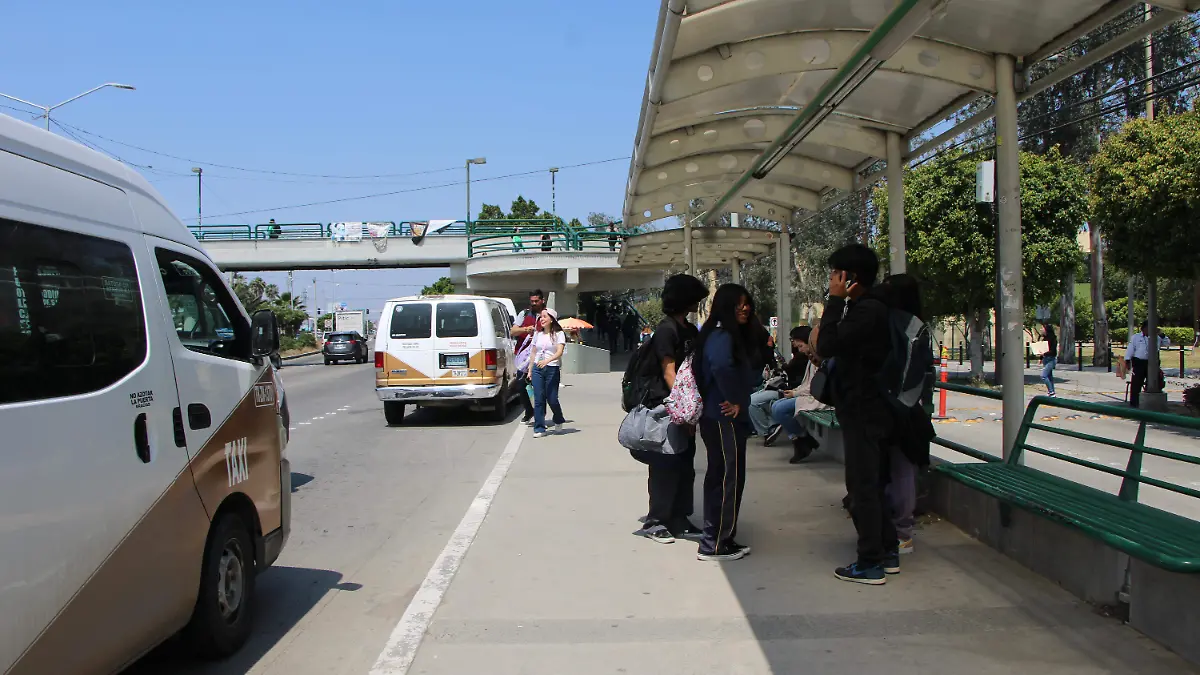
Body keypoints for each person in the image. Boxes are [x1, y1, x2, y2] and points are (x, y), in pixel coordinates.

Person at [816, 243, 897, 585]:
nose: (831, 280)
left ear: (849, 277)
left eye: (836, 274)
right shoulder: (868, 308)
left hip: (864, 410)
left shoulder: (867, 311)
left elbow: (826, 344)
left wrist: (834, 301)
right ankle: (886, 550)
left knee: (862, 485)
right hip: (868, 407)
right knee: (871, 484)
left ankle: (870, 562)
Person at [633, 274, 710, 544]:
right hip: (665, 407)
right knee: (665, 464)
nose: (699, 301)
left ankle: (679, 517)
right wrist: (685, 408)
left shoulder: (688, 329)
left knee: (684, 463)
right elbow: (669, 371)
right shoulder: (667, 330)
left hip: (682, 406)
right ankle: (656, 521)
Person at [694, 284, 759, 561]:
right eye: (739, 304)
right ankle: (716, 543)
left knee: (720, 475)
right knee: (727, 477)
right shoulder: (722, 335)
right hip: (724, 417)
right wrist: (735, 399)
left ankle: (717, 535)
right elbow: (721, 366)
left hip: (716, 416)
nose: (745, 308)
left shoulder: (718, 332)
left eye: (747, 303)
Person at [875, 273, 931, 557]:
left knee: (896, 470)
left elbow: (909, 372)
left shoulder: (904, 325)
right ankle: (900, 530)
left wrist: (894, 404)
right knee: (900, 470)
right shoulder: (916, 325)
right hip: (903, 407)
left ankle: (901, 532)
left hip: (896, 409)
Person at [767, 325, 825, 463]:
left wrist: (795, 393)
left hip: (818, 398)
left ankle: (802, 439)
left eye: (800, 346)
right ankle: (801, 439)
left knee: (779, 409)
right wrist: (795, 392)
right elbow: (808, 384)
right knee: (776, 406)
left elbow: (813, 386)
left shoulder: (816, 359)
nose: (799, 350)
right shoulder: (810, 358)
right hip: (809, 394)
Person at [528, 308, 567, 438]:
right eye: (541, 317)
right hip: (537, 369)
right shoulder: (538, 334)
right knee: (539, 399)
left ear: (552, 319)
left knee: (552, 399)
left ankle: (558, 419)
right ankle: (539, 428)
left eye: (545, 316)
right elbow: (533, 353)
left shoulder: (559, 334)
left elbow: (559, 352)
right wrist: (530, 370)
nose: (542, 319)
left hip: (551, 368)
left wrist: (547, 361)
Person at [511, 290, 547, 425]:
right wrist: (526, 330)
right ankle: (529, 410)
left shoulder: (547, 314)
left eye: (536, 301)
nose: (534, 304)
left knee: (540, 388)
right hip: (524, 358)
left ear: (542, 300)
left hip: (540, 357)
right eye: (532, 301)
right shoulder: (524, 314)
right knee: (521, 386)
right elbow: (513, 330)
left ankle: (541, 414)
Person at [1125, 321, 1171, 407]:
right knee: (1136, 382)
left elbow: (1167, 343)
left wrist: (1162, 334)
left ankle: (1152, 401)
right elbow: (1131, 349)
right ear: (1144, 328)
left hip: (1153, 362)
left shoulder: (1157, 337)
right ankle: (1134, 402)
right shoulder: (1136, 337)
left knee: (1154, 381)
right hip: (1139, 362)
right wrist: (1127, 360)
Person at [1041, 322, 1058, 397]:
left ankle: (1051, 392)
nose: (1041, 330)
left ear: (1046, 329)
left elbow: (1053, 351)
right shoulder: (1044, 338)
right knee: (1049, 376)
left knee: (1043, 376)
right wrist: (1041, 357)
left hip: (1051, 359)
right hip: (1045, 359)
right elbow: (1043, 349)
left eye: (1042, 328)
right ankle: (1052, 392)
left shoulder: (1053, 339)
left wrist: (1044, 354)